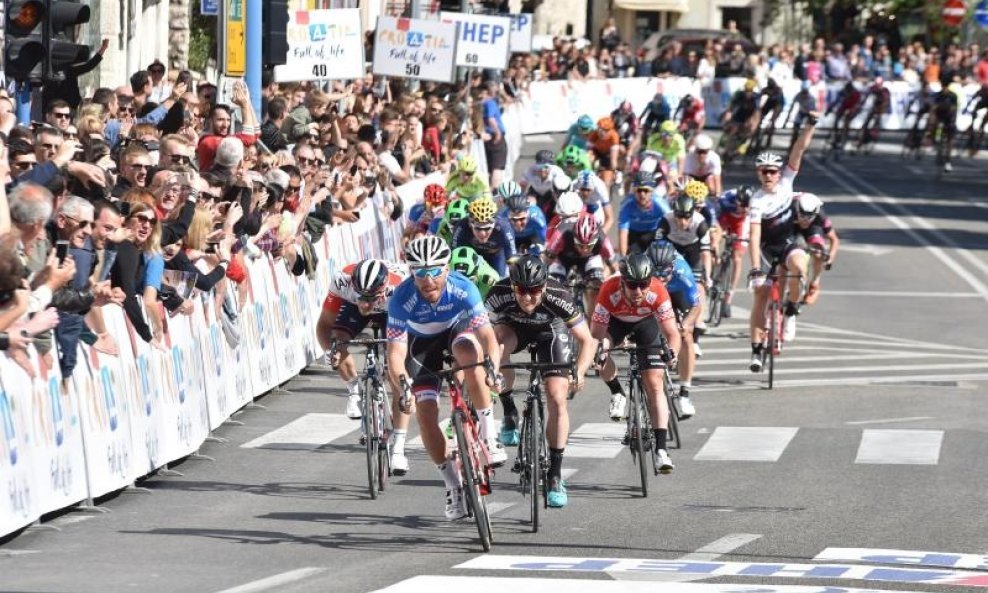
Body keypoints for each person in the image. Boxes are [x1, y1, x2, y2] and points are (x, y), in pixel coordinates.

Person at [385, 236, 505, 521]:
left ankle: (488, 434)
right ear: (412, 273)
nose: (428, 281)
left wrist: (493, 369)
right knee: (425, 413)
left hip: (456, 331)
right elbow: (395, 354)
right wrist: (403, 387)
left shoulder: (464, 288)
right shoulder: (401, 299)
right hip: (421, 345)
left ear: (447, 269)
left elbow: (487, 336)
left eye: (435, 271)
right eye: (420, 273)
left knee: (469, 354)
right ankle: (452, 485)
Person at [485, 255, 596, 508]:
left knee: (557, 397)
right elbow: (484, 334)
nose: (527, 297)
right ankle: (509, 410)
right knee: (498, 344)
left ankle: (555, 473)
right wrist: (490, 370)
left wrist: (578, 371)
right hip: (514, 329)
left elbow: (587, 340)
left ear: (544, 286)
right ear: (512, 286)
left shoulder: (559, 295)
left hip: (551, 333)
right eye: (522, 290)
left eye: (534, 290)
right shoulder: (498, 293)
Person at [317, 258, 412, 473]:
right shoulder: (342, 281)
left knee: (396, 373)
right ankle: (353, 389)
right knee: (337, 339)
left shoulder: (402, 288)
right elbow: (324, 324)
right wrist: (329, 351)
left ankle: (398, 449)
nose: (366, 304)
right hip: (350, 308)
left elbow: (413, 331)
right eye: (362, 297)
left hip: (392, 311)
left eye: (371, 298)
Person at [590, 253, 681, 474]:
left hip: (646, 325)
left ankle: (661, 450)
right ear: (622, 283)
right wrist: (601, 352)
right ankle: (617, 392)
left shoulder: (658, 291)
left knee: (655, 384)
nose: (638, 291)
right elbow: (596, 334)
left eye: (643, 284)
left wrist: (672, 352)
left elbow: (672, 333)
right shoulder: (608, 290)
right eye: (632, 285)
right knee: (598, 350)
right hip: (616, 324)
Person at [746, 111, 818, 373]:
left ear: (779, 173)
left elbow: (798, 149)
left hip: (788, 242)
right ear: (759, 173)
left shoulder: (787, 182)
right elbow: (754, 236)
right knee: (761, 296)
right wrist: (755, 267)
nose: (768, 175)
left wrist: (810, 125)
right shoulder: (756, 200)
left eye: (772, 171)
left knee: (800, 267)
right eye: (763, 171)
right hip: (766, 250)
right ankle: (755, 351)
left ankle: (790, 311)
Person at [646, 241, 700, 419]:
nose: (660, 278)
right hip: (651, 296)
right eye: (656, 273)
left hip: (676, 295)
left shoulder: (682, 272)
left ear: (672, 267)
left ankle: (684, 393)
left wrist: (684, 325)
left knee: (686, 336)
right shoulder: (643, 269)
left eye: (665, 273)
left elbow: (696, 307)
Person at [714, 185, 754, 317]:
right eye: (740, 205)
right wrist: (717, 235)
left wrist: (744, 239)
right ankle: (715, 263)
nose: (742, 209)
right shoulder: (726, 198)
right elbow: (716, 215)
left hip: (741, 223)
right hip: (725, 216)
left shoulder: (752, 206)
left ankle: (729, 296)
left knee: (737, 256)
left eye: (745, 207)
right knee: (715, 237)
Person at [450, 196, 516, 277]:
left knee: (499, 280)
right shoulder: (461, 226)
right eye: (478, 228)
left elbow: (512, 259)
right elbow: (454, 254)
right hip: (471, 254)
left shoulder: (504, 228)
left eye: (487, 228)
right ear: (470, 224)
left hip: (495, 255)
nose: (482, 233)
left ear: (494, 224)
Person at [793, 193, 839, 306]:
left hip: (813, 228)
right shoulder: (790, 209)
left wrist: (830, 258)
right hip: (793, 225)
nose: (805, 219)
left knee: (818, 252)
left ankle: (814, 283)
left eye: (809, 216)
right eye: (802, 215)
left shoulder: (821, 217)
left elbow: (834, 239)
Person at [618, 172, 669, 256]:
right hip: (634, 236)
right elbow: (623, 234)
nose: (642, 194)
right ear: (634, 192)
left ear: (652, 192)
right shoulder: (627, 205)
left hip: (654, 234)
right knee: (632, 262)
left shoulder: (660, 204)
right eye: (639, 190)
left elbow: (671, 225)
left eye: (646, 190)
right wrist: (623, 260)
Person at [497, 189, 547, 255]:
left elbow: (546, 241)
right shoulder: (502, 217)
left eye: (522, 219)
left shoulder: (537, 217)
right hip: (512, 237)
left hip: (532, 236)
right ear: (508, 215)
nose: (518, 224)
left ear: (528, 214)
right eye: (514, 219)